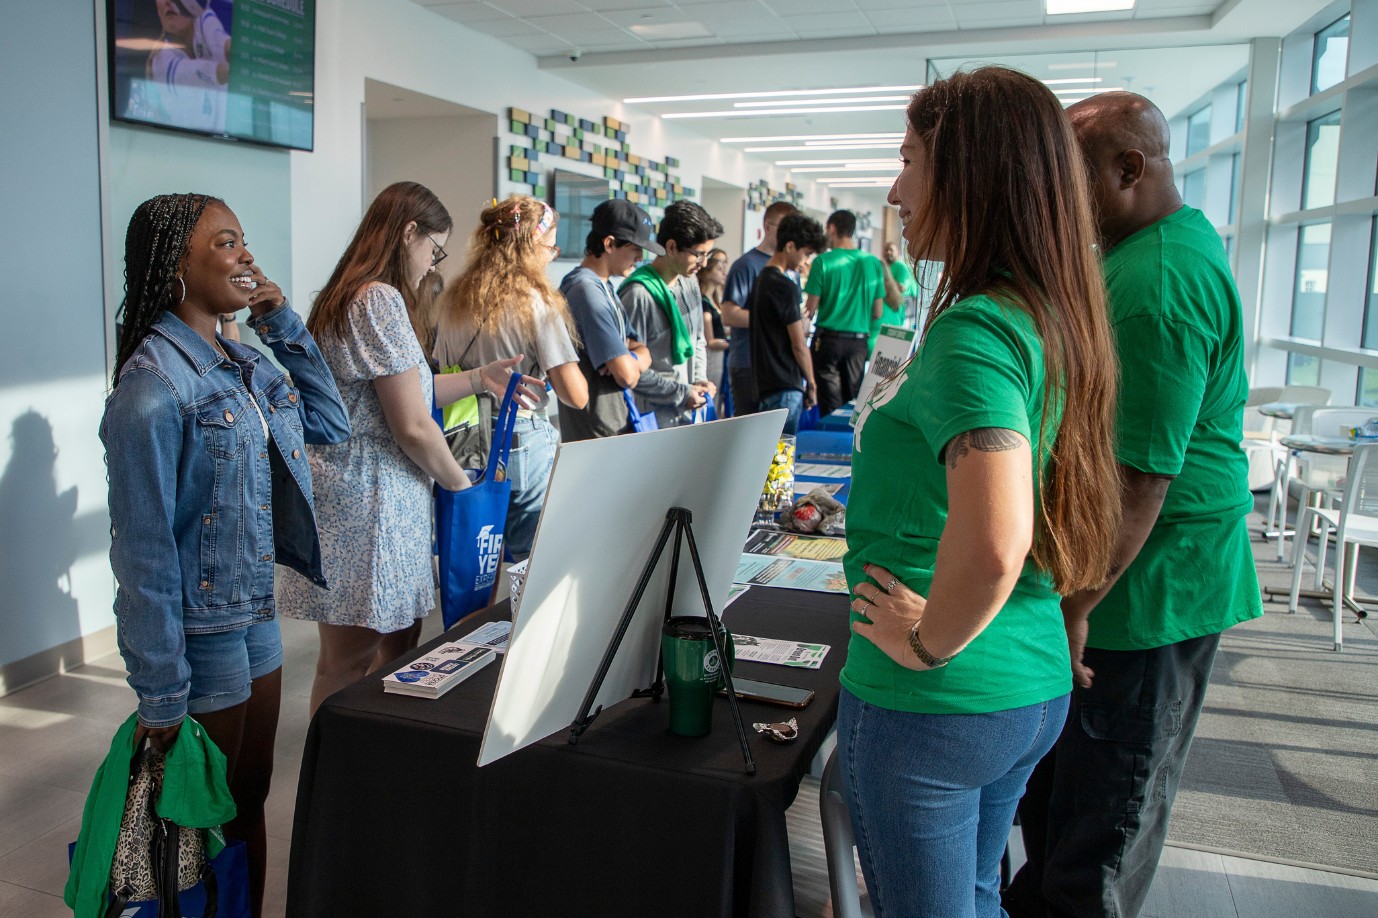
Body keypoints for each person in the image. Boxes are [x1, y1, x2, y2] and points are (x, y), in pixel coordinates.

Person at [838, 67, 1122, 918]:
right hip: (1024, 683)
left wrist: (929, 644)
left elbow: (1000, 538)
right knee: (973, 898)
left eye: (911, 161)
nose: (897, 189)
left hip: (937, 701)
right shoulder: (1049, 313)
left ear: (972, 175)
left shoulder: (975, 332)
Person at [1004, 92, 1264, 918]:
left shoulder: (1156, 282)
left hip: (1143, 593)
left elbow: (1141, 479)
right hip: (1119, 581)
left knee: (1099, 838)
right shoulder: (1153, 244)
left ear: (1129, 169)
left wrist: (1076, 606)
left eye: (1069, 183)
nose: (1057, 204)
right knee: (1058, 815)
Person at [101, 193, 350, 917]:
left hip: (255, 614)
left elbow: (328, 423)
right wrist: (160, 692)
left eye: (245, 241)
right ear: (177, 265)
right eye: (226, 243)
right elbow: (142, 554)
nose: (245, 255)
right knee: (196, 822)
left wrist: (278, 322)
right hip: (200, 630)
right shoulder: (151, 389)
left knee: (250, 796)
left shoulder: (242, 360)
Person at [278, 182, 538, 716]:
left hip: (371, 499)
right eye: (433, 248)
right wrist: (464, 489)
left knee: (383, 649)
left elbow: (408, 394)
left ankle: (362, 756)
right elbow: (414, 427)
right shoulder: (377, 298)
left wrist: (478, 378)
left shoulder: (352, 295)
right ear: (408, 233)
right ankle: (333, 772)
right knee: (350, 659)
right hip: (368, 504)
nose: (431, 263)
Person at [434, 196, 589, 557]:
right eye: (551, 247)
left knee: (476, 561)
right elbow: (575, 396)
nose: (552, 256)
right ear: (532, 246)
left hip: (462, 437)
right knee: (529, 562)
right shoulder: (535, 301)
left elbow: (442, 372)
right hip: (519, 439)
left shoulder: (454, 299)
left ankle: (479, 617)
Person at [556, 199, 656, 441]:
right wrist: (630, 362)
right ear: (610, 243)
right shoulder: (585, 290)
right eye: (635, 249)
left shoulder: (604, 286)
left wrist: (629, 359)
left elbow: (642, 350)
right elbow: (627, 375)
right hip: (597, 431)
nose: (640, 257)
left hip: (614, 423)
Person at [619, 200, 721, 428]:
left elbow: (697, 341)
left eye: (708, 255)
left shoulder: (690, 282)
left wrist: (699, 381)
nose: (704, 264)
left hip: (689, 413)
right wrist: (681, 392)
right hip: (655, 420)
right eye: (698, 254)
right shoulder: (638, 295)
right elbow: (628, 370)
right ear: (672, 246)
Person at [804, 209, 887, 417]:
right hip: (858, 345)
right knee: (852, 405)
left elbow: (809, 310)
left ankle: (826, 448)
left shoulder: (823, 262)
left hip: (828, 343)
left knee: (829, 405)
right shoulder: (873, 263)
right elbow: (877, 312)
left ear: (831, 229)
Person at [719, 201, 798, 416]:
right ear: (768, 227)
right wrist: (780, 321)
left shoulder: (793, 270)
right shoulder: (745, 265)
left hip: (781, 367)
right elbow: (729, 315)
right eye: (785, 227)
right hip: (749, 364)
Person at [749, 214, 825, 435]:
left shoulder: (761, 280)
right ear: (790, 246)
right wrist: (811, 383)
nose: (806, 261)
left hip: (765, 383)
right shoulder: (784, 286)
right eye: (806, 253)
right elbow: (798, 343)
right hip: (785, 385)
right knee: (782, 462)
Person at [700, 247, 730, 413]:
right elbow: (710, 340)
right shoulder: (704, 301)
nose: (724, 271)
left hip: (720, 360)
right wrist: (733, 343)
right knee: (712, 403)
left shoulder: (715, 300)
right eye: (719, 267)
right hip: (712, 360)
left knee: (719, 403)